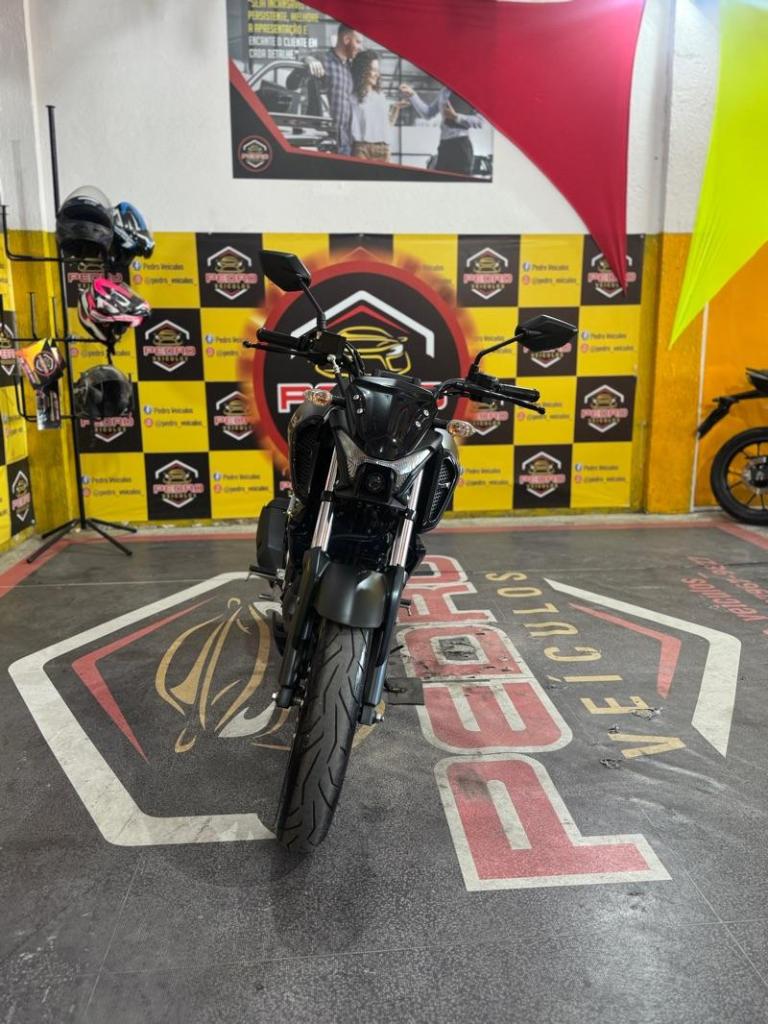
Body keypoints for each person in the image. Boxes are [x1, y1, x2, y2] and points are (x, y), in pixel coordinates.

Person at [304, 24, 363, 156]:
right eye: (358, 42)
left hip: (345, 143)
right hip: (324, 142)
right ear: (346, 39)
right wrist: (308, 60)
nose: (360, 47)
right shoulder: (322, 60)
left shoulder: (350, 69)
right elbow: (291, 83)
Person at [399, 83, 482, 175]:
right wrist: (412, 95)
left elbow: (480, 121)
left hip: (461, 146)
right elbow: (428, 113)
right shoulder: (444, 92)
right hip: (444, 146)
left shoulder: (468, 92)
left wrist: (456, 117)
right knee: (440, 180)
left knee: (460, 181)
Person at [349, 51, 407, 162]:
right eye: (374, 70)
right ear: (363, 71)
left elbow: (388, 125)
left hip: (383, 149)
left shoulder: (380, 96)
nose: (377, 74)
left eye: (378, 70)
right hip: (362, 149)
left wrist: (396, 109)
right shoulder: (352, 98)